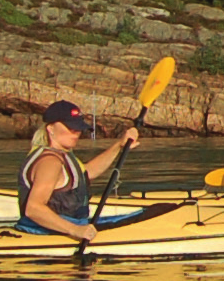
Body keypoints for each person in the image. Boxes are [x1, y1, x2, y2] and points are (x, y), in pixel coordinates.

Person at [18, 99, 140, 240]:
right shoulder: (50, 162)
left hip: (73, 224)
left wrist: (119, 145)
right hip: (47, 232)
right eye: (70, 128)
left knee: (154, 211)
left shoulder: (63, 155)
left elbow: (87, 173)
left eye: (78, 128)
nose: (76, 133)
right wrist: (75, 230)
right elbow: (33, 209)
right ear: (50, 129)